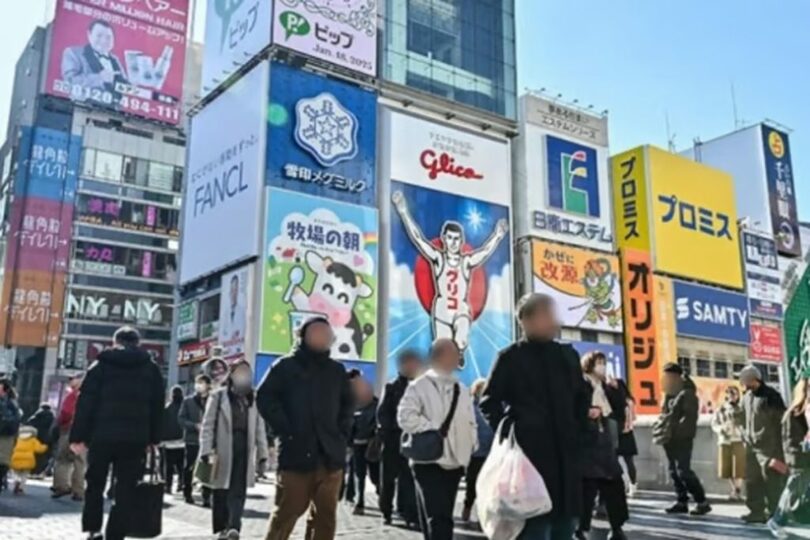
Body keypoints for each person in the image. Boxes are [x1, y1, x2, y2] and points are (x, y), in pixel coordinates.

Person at [480, 293, 590, 540]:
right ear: (526, 321)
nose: (554, 321)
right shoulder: (510, 357)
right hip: (529, 461)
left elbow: (581, 396)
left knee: (565, 527)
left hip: (567, 460)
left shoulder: (567, 355)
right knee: (534, 528)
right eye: (546, 315)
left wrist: (581, 429)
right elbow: (489, 401)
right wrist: (512, 432)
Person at [258, 317, 354, 540]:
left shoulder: (337, 370)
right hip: (296, 452)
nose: (322, 337)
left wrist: (342, 433)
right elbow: (265, 398)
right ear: (302, 336)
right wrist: (286, 428)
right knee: (287, 512)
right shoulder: (284, 366)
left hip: (330, 455)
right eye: (316, 332)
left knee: (325, 517)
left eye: (326, 334)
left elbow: (348, 405)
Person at [69, 326, 165, 540]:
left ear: (115, 342)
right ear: (138, 344)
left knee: (95, 483)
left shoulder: (100, 366)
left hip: (101, 436)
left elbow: (85, 403)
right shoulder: (150, 368)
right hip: (135, 438)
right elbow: (157, 406)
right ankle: (116, 533)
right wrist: (154, 438)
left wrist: (77, 437)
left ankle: (93, 530)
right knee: (126, 488)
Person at [392, 190, 508, 364]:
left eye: (456, 239)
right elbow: (419, 239)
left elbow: (484, 252)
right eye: (450, 238)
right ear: (444, 239)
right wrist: (403, 211)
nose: (453, 242)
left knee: (461, 337)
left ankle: (460, 352)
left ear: (461, 241)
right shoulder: (438, 258)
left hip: (460, 308)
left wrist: (498, 235)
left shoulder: (466, 261)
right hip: (441, 309)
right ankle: (449, 361)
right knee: (442, 349)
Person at [398, 338, 478, 540]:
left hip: (455, 461)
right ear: (439, 356)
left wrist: (472, 444)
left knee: (438, 516)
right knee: (438, 516)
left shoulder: (461, 388)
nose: (457, 357)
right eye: (453, 353)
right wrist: (434, 429)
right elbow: (405, 417)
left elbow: (470, 420)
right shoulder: (419, 386)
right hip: (428, 459)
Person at [200, 360, 269, 539]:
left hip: (244, 447)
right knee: (221, 490)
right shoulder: (219, 396)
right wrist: (205, 450)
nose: (244, 375)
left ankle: (234, 527)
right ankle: (222, 526)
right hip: (222, 448)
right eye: (240, 371)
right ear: (231, 374)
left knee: (238, 489)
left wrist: (263, 454)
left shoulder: (252, 398)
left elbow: (260, 428)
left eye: (247, 372)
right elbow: (208, 425)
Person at [577, 352, 628, 540]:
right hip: (587, 441)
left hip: (605, 439)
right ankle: (581, 528)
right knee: (587, 488)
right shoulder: (581, 383)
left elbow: (618, 411)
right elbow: (574, 407)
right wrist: (586, 413)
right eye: (598, 363)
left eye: (603, 363)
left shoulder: (606, 385)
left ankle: (617, 527)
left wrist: (616, 390)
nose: (602, 366)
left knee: (614, 484)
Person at [652, 363, 711, 516]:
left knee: (683, 470)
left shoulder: (687, 393)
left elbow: (689, 418)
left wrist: (676, 432)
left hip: (681, 438)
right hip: (669, 437)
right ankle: (681, 501)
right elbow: (665, 414)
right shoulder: (669, 392)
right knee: (673, 471)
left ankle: (701, 501)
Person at [378, 350, 421, 526]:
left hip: (412, 441)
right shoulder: (391, 387)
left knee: (409, 479)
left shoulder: (420, 387)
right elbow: (382, 414)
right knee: (388, 478)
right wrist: (393, 429)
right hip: (392, 440)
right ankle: (386, 511)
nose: (412, 367)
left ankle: (409, 513)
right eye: (408, 364)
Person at [740, 364, 787, 523]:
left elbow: (781, 422)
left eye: (746, 379)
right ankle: (756, 512)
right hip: (751, 447)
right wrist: (744, 435)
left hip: (769, 449)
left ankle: (775, 512)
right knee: (752, 481)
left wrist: (778, 451)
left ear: (755, 378)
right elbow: (741, 418)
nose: (743, 383)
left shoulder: (771, 396)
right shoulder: (746, 397)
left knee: (771, 482)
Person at [768, 377, 810, 538]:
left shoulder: (804, 411)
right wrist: (803, 446)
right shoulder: (794, 413)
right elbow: (790, 440)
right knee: (792, 491)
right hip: (798, 458)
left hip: (804, 457)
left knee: (798, 491)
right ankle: (777, 520)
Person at [61, 19, 129, 94]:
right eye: (99, 36)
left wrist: (134, 87)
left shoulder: (115, 59)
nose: (104, 41)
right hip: (79, 104)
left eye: (108, 37)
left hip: (111, 105)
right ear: (89, 35)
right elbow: (69, 81)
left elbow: (123, 89)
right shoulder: (73, 53)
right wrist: (99, 78)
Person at [461, 378, 494, 523]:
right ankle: (467, 507)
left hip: (491, 454)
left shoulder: (495, 406)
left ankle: (484, 517)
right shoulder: (470, 408)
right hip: (476, 454)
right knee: (472, 485)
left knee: (488, 487)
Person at [179, 373, 213, 506]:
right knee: (189, 467)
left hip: (207, 441)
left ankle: (206, 496)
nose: (199, 386)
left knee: (207, 468)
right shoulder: (188, 401)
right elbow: (181, 419)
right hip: (192, 440)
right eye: (198, 383)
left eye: (202, 383)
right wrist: (194, 426)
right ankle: (187, 493)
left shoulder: (213, 400)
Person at [348, 376, 379, 515]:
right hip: (357, 446)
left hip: (372, 447)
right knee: (359, 475)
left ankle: (381, 493)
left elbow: (380, 424)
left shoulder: (377, 405)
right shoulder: (352, 406)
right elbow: (347, 425)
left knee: (375, 475)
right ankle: (359, 502)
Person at [52, 374, 85, 500]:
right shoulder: (92, 395)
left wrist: (60, 423)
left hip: (68, 429)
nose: (70, 381)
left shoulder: (73, 395)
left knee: (63, 459)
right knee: (80, 461)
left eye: (72, 379)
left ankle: (61, 486)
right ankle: (79, 491)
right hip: (84, 430)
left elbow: (65, 412)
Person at [711, 386, 746, 500]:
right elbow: (714, 423)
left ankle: (737, 490)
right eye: (729, 394)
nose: (732, 396)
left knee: (739, 467)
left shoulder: (742, 408)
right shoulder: (721, 408)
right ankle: (734, 489)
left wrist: (741, 431)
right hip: (725, 440)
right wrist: (721, 429)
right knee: (727, 467)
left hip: (738, 439)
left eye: (734, 393)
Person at [606, 376, 638, 497]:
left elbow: (630, 418)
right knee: (626, 461)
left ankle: (630, 485)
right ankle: (631, 485)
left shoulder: (625, 401)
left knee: (624, 461)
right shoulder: (628, 400)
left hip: (621, 432)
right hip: (626, 433)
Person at [162, 385, 186, 495]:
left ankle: (168, 486)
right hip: (182, 442)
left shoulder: (167, 408)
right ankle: (181, 483)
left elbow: (163, 424)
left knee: (169, 466)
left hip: (168, 442)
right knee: (181, 465)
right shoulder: (185, 407)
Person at [10, 425, 48, 494]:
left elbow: (12, 447)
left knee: (15, 471)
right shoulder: (33, 440)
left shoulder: (18, 439)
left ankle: (16, 480)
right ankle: (21, 487)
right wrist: (45, 447)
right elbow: (39, 449)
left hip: (16, 457)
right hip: (28, 459)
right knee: (25, 474)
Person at [0, 378, 21, 493]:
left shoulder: (7, 402)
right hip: (9, 435)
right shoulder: (13, 402)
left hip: (5, 435)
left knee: (3, 462)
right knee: (3, 461)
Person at [26, 403, 55, 477]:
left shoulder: (36, 415)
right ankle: (39, 472)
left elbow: (29, 424)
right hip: (47, 439)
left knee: (34, 455)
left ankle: (32, 471)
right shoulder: (53, 417)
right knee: (44, 457)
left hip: (36, 438)